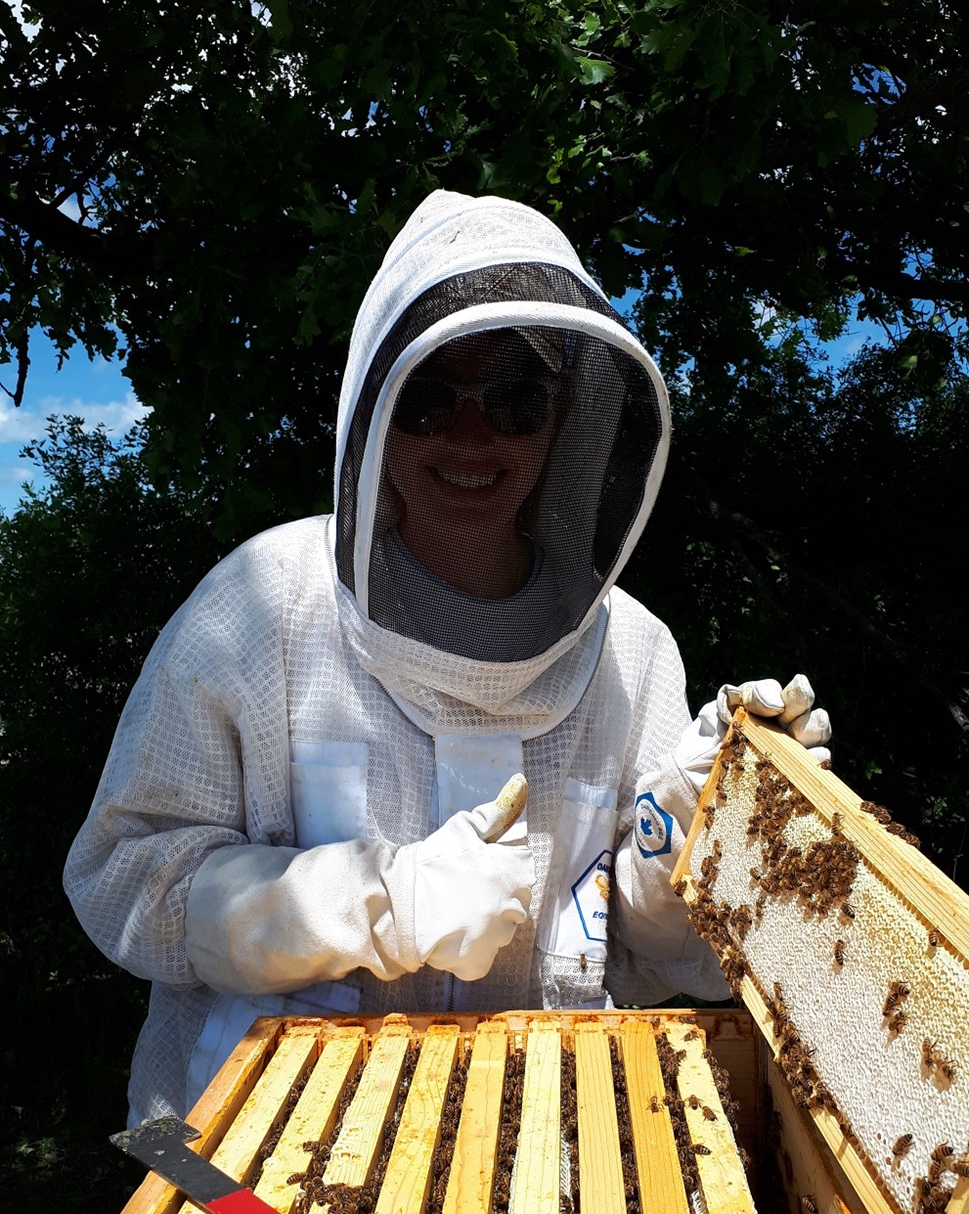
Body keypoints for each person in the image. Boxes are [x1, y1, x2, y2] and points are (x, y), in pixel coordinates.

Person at [64, 191, 830, 1126]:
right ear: (377, 417)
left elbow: (647, 949)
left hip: (545, 1157)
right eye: (431, 400)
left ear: (566, 417)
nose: (472, 438)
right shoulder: (260, 609)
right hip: (265, 1175)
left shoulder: (633, 652)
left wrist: (683, 834)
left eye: (513, 397)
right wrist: (372, 901)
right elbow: (130, 879)